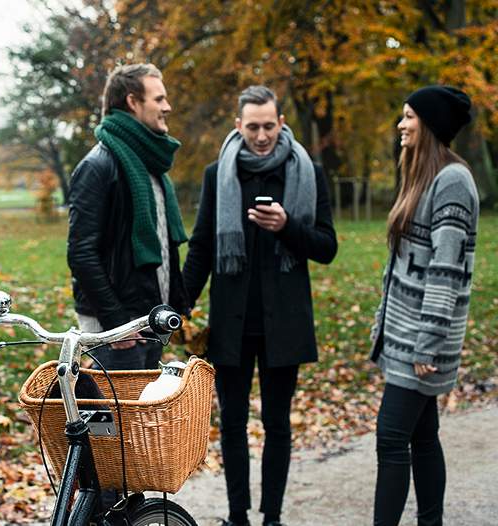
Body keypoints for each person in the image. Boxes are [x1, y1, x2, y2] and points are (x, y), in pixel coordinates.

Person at [182, 85, 337, 526]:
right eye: (253, 127)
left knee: (277, 423)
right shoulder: (219, 173)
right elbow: (202, 247)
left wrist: (288, 227)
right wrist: (181, 305)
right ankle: (237, 516)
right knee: (231, 423)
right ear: (238, 126)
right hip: (232, 323)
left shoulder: (306, 172)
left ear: (281, 123)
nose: (262, 135)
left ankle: (272, 516)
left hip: (283, 323)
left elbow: (326, 247)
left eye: (270, 126)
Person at [370, 86, 478, 526]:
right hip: (404, 333)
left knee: (391, 436)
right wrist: (383, 323)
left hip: (422, 339)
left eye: (409, 116)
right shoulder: (424, 176)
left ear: (429, 124)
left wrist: (428, 344)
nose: (401, 124)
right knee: (422, 435)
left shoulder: (453, 181)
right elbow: (400, 267)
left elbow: (445, 272)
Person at [67, 63, 189, 370]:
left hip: (147, 321)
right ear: (133, 102)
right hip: (118, 331)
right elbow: (81, 254)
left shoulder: (150, 166)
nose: (167, 107)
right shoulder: (98, 166)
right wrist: (117, 322)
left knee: (137, 418)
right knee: (113, 418)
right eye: (158, 99)